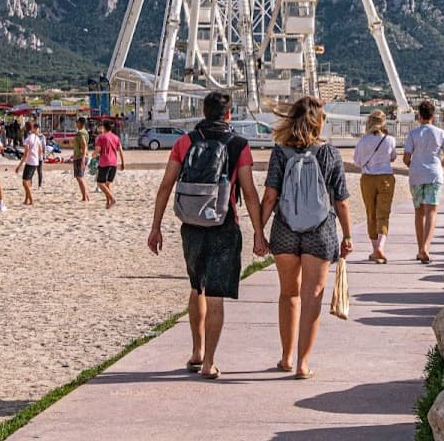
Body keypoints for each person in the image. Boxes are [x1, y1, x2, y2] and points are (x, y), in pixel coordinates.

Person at [147, 92, 266, 380]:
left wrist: (156, 226)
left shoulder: (184, 142)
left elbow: (165, 186)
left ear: (203, 111)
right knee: (215, 295)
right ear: (228, 115)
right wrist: (259, 233)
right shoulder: (239, 145)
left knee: (196, 287)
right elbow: (249, 193)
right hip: (224, 225)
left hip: (191, 225)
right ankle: (209, 362)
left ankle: (196, 350)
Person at [261, 96, 352, 380]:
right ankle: (303, 363)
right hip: (321, 231)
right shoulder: (330, 154)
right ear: (319, 121)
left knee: (288, 293)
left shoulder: (279, 153)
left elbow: (270, 196)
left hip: (285, 230)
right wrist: (347, 235)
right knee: (312, 296)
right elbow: (341, 201)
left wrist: (258, 231)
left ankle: (286, 357)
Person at [404, 100, 444, 263]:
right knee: (431, 211)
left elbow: (406, 157)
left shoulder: (413, 134)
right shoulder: (440, 133)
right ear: (433, 116)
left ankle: (420, 249)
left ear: (419, 116)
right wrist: (439, 165)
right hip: (434, 174)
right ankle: (426, 247)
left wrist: (414, 165)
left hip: (416, 174)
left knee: (419, 212)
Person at [352, 108, 397, 263]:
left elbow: (357, 162)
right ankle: (381, 247)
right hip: (385, 178)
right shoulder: (389, 140)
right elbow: (393, 158)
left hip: (368, 179)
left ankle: (374, 248)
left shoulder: (363, 141)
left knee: (370, 213)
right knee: (383, 214)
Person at [94, 119, 125, 208]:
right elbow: (121, 151)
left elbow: (98, 150)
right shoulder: (116, 137)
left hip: (104, 163)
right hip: (114, 163)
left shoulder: (101, 138)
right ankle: (108, 203)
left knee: (100, 183)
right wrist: (123, 163)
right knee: (107, 184)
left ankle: (112, 199)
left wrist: (93, 155)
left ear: (104, 127)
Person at [15, 121, 42, 205]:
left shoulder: (28, 139)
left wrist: (19, 165)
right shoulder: (37, 138)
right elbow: (40, 150)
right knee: (28, 181)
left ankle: (31, 199)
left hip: (30, 162)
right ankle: (26, 200)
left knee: (24, 182)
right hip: (35, 161)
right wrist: (36, 157)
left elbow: (26, 153)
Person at [72, 115, 90, 202]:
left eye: (77, 122)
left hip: (80, 157)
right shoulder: (85, 132)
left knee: (79, 177)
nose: (76, 124)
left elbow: (84, 145)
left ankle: (84, 197)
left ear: (80, 123)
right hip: (81, 156)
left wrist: (83, 158)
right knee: (80, 177)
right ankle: (86, 196)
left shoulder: (80, 133)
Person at [32, 120, 47, 188]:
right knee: (31, 171)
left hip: (39, 156)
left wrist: (44, 155)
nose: (35, 130)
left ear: (39, 129)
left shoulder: (42, 137)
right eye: (34, 128)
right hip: (33, 156)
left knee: (39, 171)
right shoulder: (32, 136)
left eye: (36, 128)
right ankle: (30, 184)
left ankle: (39, 185)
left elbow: (44, 146)